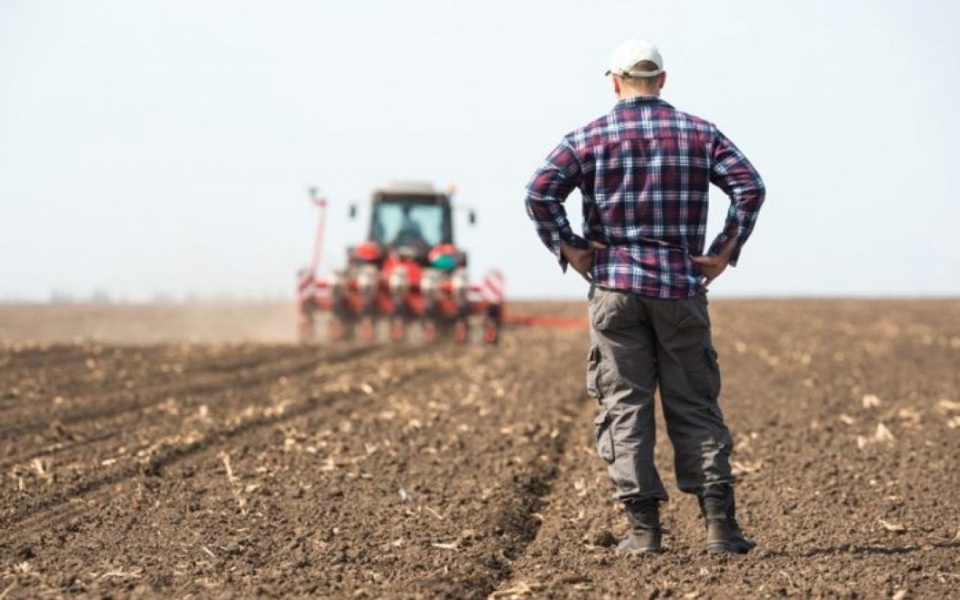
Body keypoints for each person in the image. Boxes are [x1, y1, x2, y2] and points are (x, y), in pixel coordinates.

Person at [525, 39, 765, 556]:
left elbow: (539, 192)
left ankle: (643, 533)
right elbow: (750, 186)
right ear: (662, 80)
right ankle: (720, 529)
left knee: (624, 406)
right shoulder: (700, 134)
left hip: (615, 289)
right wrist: (723, 252)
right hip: (680, 287)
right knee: (695, 403)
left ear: (614, 81)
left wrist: (570, 246)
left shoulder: (587, 138)